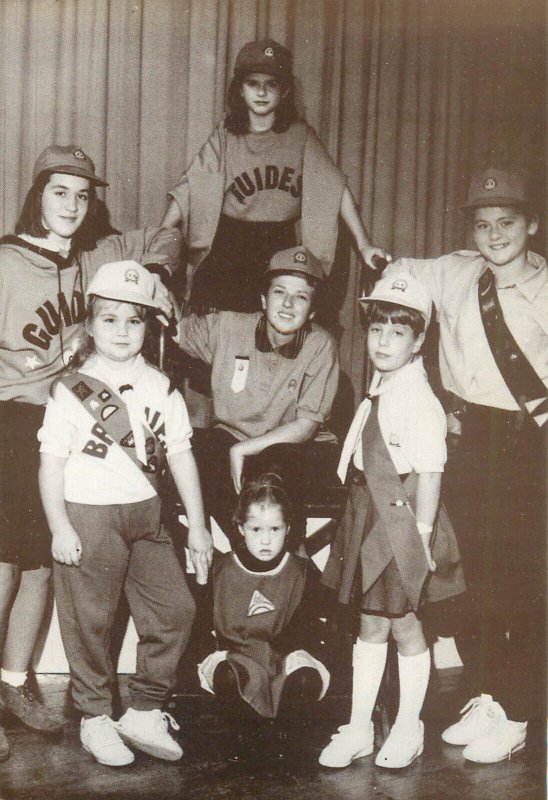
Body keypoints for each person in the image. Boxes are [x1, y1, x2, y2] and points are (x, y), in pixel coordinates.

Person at [0, 144, 179, 761]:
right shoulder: (4, 260)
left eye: (82, 195)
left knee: (44, 564)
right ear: (37, 195)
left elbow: (166, 237)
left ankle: (16, 682)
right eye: (59, 192)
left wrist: (160, 279)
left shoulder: (91, 261)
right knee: (1, 564)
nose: (72, 205)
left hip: (70, 420)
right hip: (11, 417)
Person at [382, 167, 546, 763]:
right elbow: (396, 273)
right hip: (468, 438)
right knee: (474, 575)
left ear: (531, 224)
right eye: (482, 224)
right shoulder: (454, 271)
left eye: (507, 222)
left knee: (526, 578)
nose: (495, 233)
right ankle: (486, 692)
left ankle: (521, 709)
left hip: (531, 445)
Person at [38, 260, 212, 767]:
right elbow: (51, 462)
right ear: (90, 325)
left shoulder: (162, 385)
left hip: (148, 514)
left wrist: (198, 526)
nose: (122, 331)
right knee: (89, 619)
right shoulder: (72, 389)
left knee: (174, 610)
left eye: (134, 320)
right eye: (110, 319)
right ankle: (94, 717)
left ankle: (143, 710)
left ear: (149, 327)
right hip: (88, 513)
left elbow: (180, 454)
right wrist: (59, 525)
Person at [319, 273, 465, 770]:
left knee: (404, 625)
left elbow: (430, 474)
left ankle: (408, 727)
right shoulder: (385, 384)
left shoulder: (420, 399)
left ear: (419, 339)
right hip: (368, 515)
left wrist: (420, 540)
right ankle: (361, 727)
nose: (382, 341)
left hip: (401, 521)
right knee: (369, 624)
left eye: (397, 332)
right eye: (377, 329)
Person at [162, 38, 388, 316]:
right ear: (239, 90)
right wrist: (158, 244)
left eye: (271, 84)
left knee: (274, 326)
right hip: (229, 245)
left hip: (278, 245)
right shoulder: (225, 136)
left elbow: (337, 190)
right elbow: (188, 191)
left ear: (285, 92)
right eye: (252, 83)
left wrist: (364, 246)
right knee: (217, 333)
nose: (261, 92)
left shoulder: (301, 136)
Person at [173, 245, 340, 548]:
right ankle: (235, 558)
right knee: (197, 450)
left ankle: (284, 561)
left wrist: (243, 450)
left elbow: (304, 427)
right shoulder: (229, 326)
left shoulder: (320, 346)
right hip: (231, 437)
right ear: (263, 299)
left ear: (313, 310)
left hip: (293, 446)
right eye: (279, 292)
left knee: (277, 465)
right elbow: (175, 329)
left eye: (301, 297)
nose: (288, 304)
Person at [197, 473, 329, 762]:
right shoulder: (221, 568)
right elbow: (202, 624)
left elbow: (315, 624)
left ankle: (284, 737)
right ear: (241, 528)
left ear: (288, 529)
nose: (266, 540)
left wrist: (302, 653)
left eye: (275, 529)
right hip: (238, 657)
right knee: (228, 676)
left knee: (305, 678)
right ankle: (245, 735)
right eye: (256, 529)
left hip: (282, 658)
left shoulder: (301, 571)